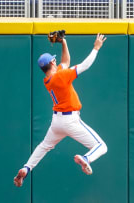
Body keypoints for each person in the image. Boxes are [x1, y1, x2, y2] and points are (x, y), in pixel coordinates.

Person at [14, 33, 108, 187]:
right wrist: (96, 48)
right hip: (70, 120)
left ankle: (26, 167)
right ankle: (86, 159)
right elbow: (85, 65)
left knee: (44, 146)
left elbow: (65, 61)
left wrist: (63, 42)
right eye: (53, 59)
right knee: (101, 146)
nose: (56, 60)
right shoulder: (60, 76)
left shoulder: (49, 79)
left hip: (57, 122)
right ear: (51, 62)